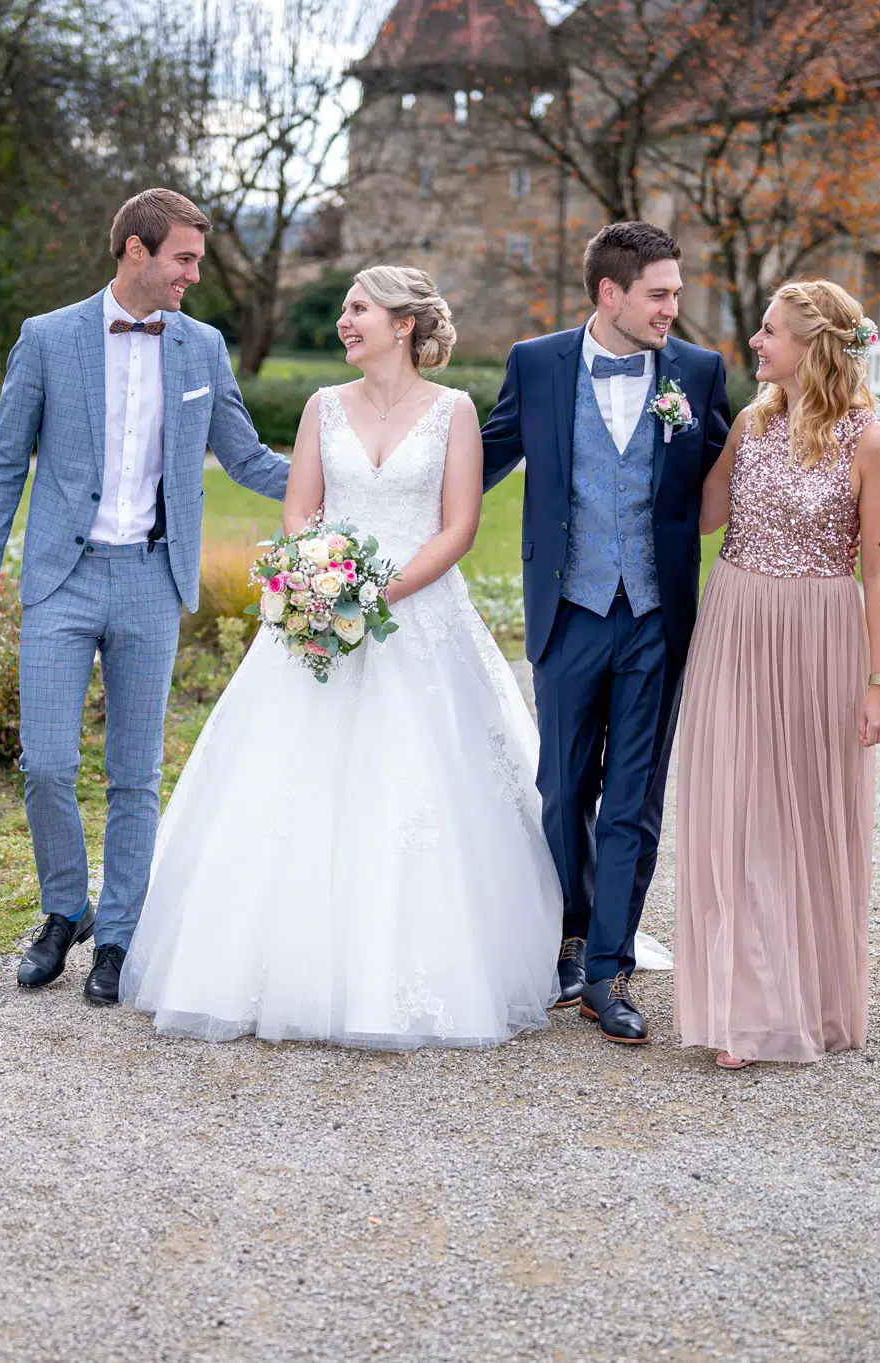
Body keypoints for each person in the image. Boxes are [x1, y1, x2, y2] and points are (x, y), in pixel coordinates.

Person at [118, 267, 561, 1049]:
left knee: (422, 785)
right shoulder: (323, 408)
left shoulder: (455, 412)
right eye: (346, 310)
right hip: (323, 611)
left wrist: (382, 593)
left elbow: (458, 527)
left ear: (404, 323)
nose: (344, 323)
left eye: (359, 310)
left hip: (419, 615)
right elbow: (299, 510)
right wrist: (321, 585)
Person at [0, 188, 292, 1007]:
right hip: (61, 579)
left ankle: (118, 937)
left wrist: (352, 477)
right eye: (183, 258)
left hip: (153, 579)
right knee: (45, 763)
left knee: (135, 775)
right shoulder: (46, 339)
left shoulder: (203, 347)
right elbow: (4, 463)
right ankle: (63, 907)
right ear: (135, 252)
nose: (194, 274)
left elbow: (247, 458)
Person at [480, 222, 734, 1045]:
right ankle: (573, 930)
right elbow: (478, 459)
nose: (674, 308)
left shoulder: (698, 372)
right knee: (562, 790)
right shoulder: (536, 364)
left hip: (658, 619)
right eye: (659, 294)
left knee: (634, 801)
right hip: (569, 610)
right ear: (610, 293)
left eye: (678, 293)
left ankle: (608, 973)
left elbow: (741, 470)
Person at [673, 278, 880, 1069]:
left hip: (817, 635)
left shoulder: (871, 443)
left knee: (800, 813)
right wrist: (676, 433)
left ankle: (805, 1000)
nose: (757, 344)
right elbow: (706, 516)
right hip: (736, 623)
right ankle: (743, 1010)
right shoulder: (750, 421)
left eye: (770, 332)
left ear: (814, 347)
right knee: (734, 807)